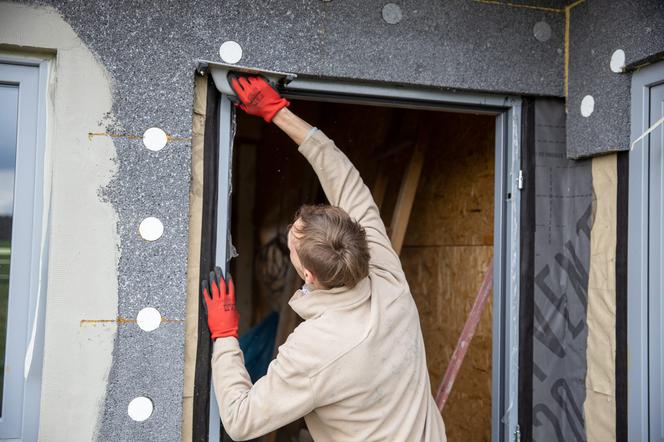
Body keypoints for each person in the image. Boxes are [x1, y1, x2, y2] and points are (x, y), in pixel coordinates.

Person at [201, 75, 446, 442]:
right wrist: (277, 113)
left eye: (291, 245)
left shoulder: (315, 348)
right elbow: (344, 177)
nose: (290, 235)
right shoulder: (385, 273)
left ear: (308, 276)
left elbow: (239, 420)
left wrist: (224, 336)